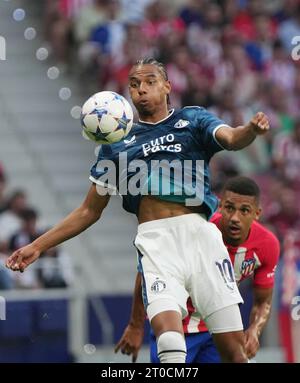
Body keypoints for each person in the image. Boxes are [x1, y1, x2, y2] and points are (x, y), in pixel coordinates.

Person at [6, 57, 270, 363]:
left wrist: (250, 129)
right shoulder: (116, 145)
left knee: (234, 354)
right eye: (134, 84)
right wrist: (38, 246)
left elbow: (232, 138)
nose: (141, 90)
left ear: (167, 86)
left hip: (201, 238)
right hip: (156, 243)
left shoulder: (193, 120)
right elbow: (89, 211)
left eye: (149, 82)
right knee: (170, 344)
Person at [115, 176, 280, 363]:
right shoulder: (199, 228)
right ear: (220, 206)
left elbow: (263, 302)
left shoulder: (267, 245)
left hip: (219, 331)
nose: (235, 218)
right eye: (229, 208)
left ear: (257, 213)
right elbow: (150, 271)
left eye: (244, 210)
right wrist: (136, 325)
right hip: (179, 329)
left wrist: (254, 330)